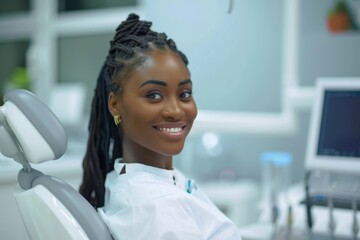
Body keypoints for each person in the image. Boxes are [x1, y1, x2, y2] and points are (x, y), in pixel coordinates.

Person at [79, 13, 242, 240]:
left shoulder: (134, 179)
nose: (176, 111)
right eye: (154, 95)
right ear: (115, 105)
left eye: (185, 94)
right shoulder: (156, 208)